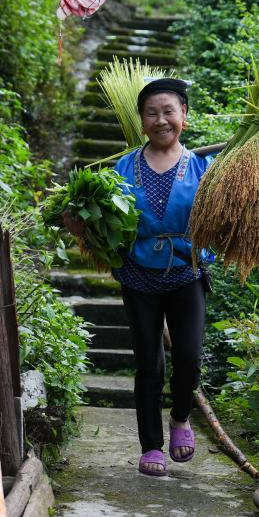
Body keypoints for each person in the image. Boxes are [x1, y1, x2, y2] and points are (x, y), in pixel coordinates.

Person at [111, 78, 212, 477]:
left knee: (188, 356)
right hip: (138, 274)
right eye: (151, 113)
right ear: (141, 122)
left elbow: (220, 221)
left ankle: (181, 418)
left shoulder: (203, 167)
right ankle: (151, 445)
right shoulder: (124, 166)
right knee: (148, 364)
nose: (161, 120)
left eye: (169, 111)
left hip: (186, 272)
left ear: (184, 117)